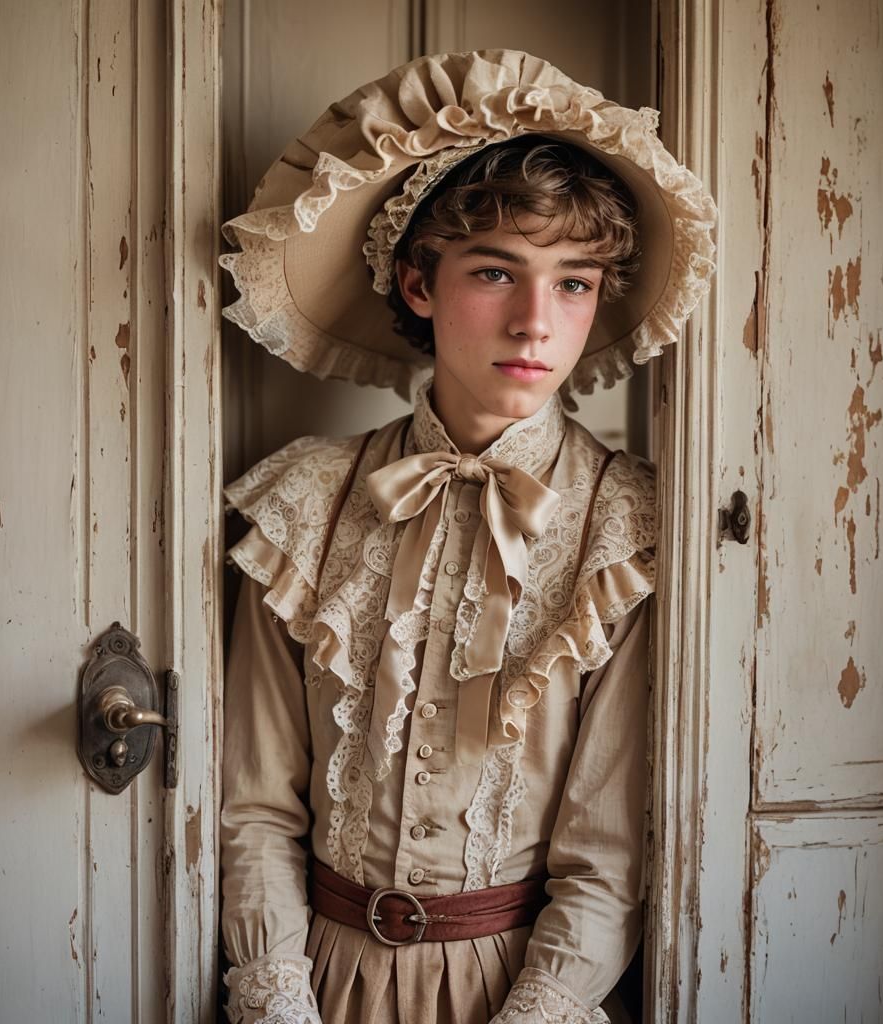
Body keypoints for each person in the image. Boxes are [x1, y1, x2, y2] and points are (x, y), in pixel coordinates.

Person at [218, 50, 715, 1024]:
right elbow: (252, 807)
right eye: (496, 272)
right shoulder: (309, 501)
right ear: (417, 283)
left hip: (522, 985)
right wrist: (277, 997)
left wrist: (541, 1008)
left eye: (573, 283)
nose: (537, 320)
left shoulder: (627, 526)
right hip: (321, 977)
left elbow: (607, 853)